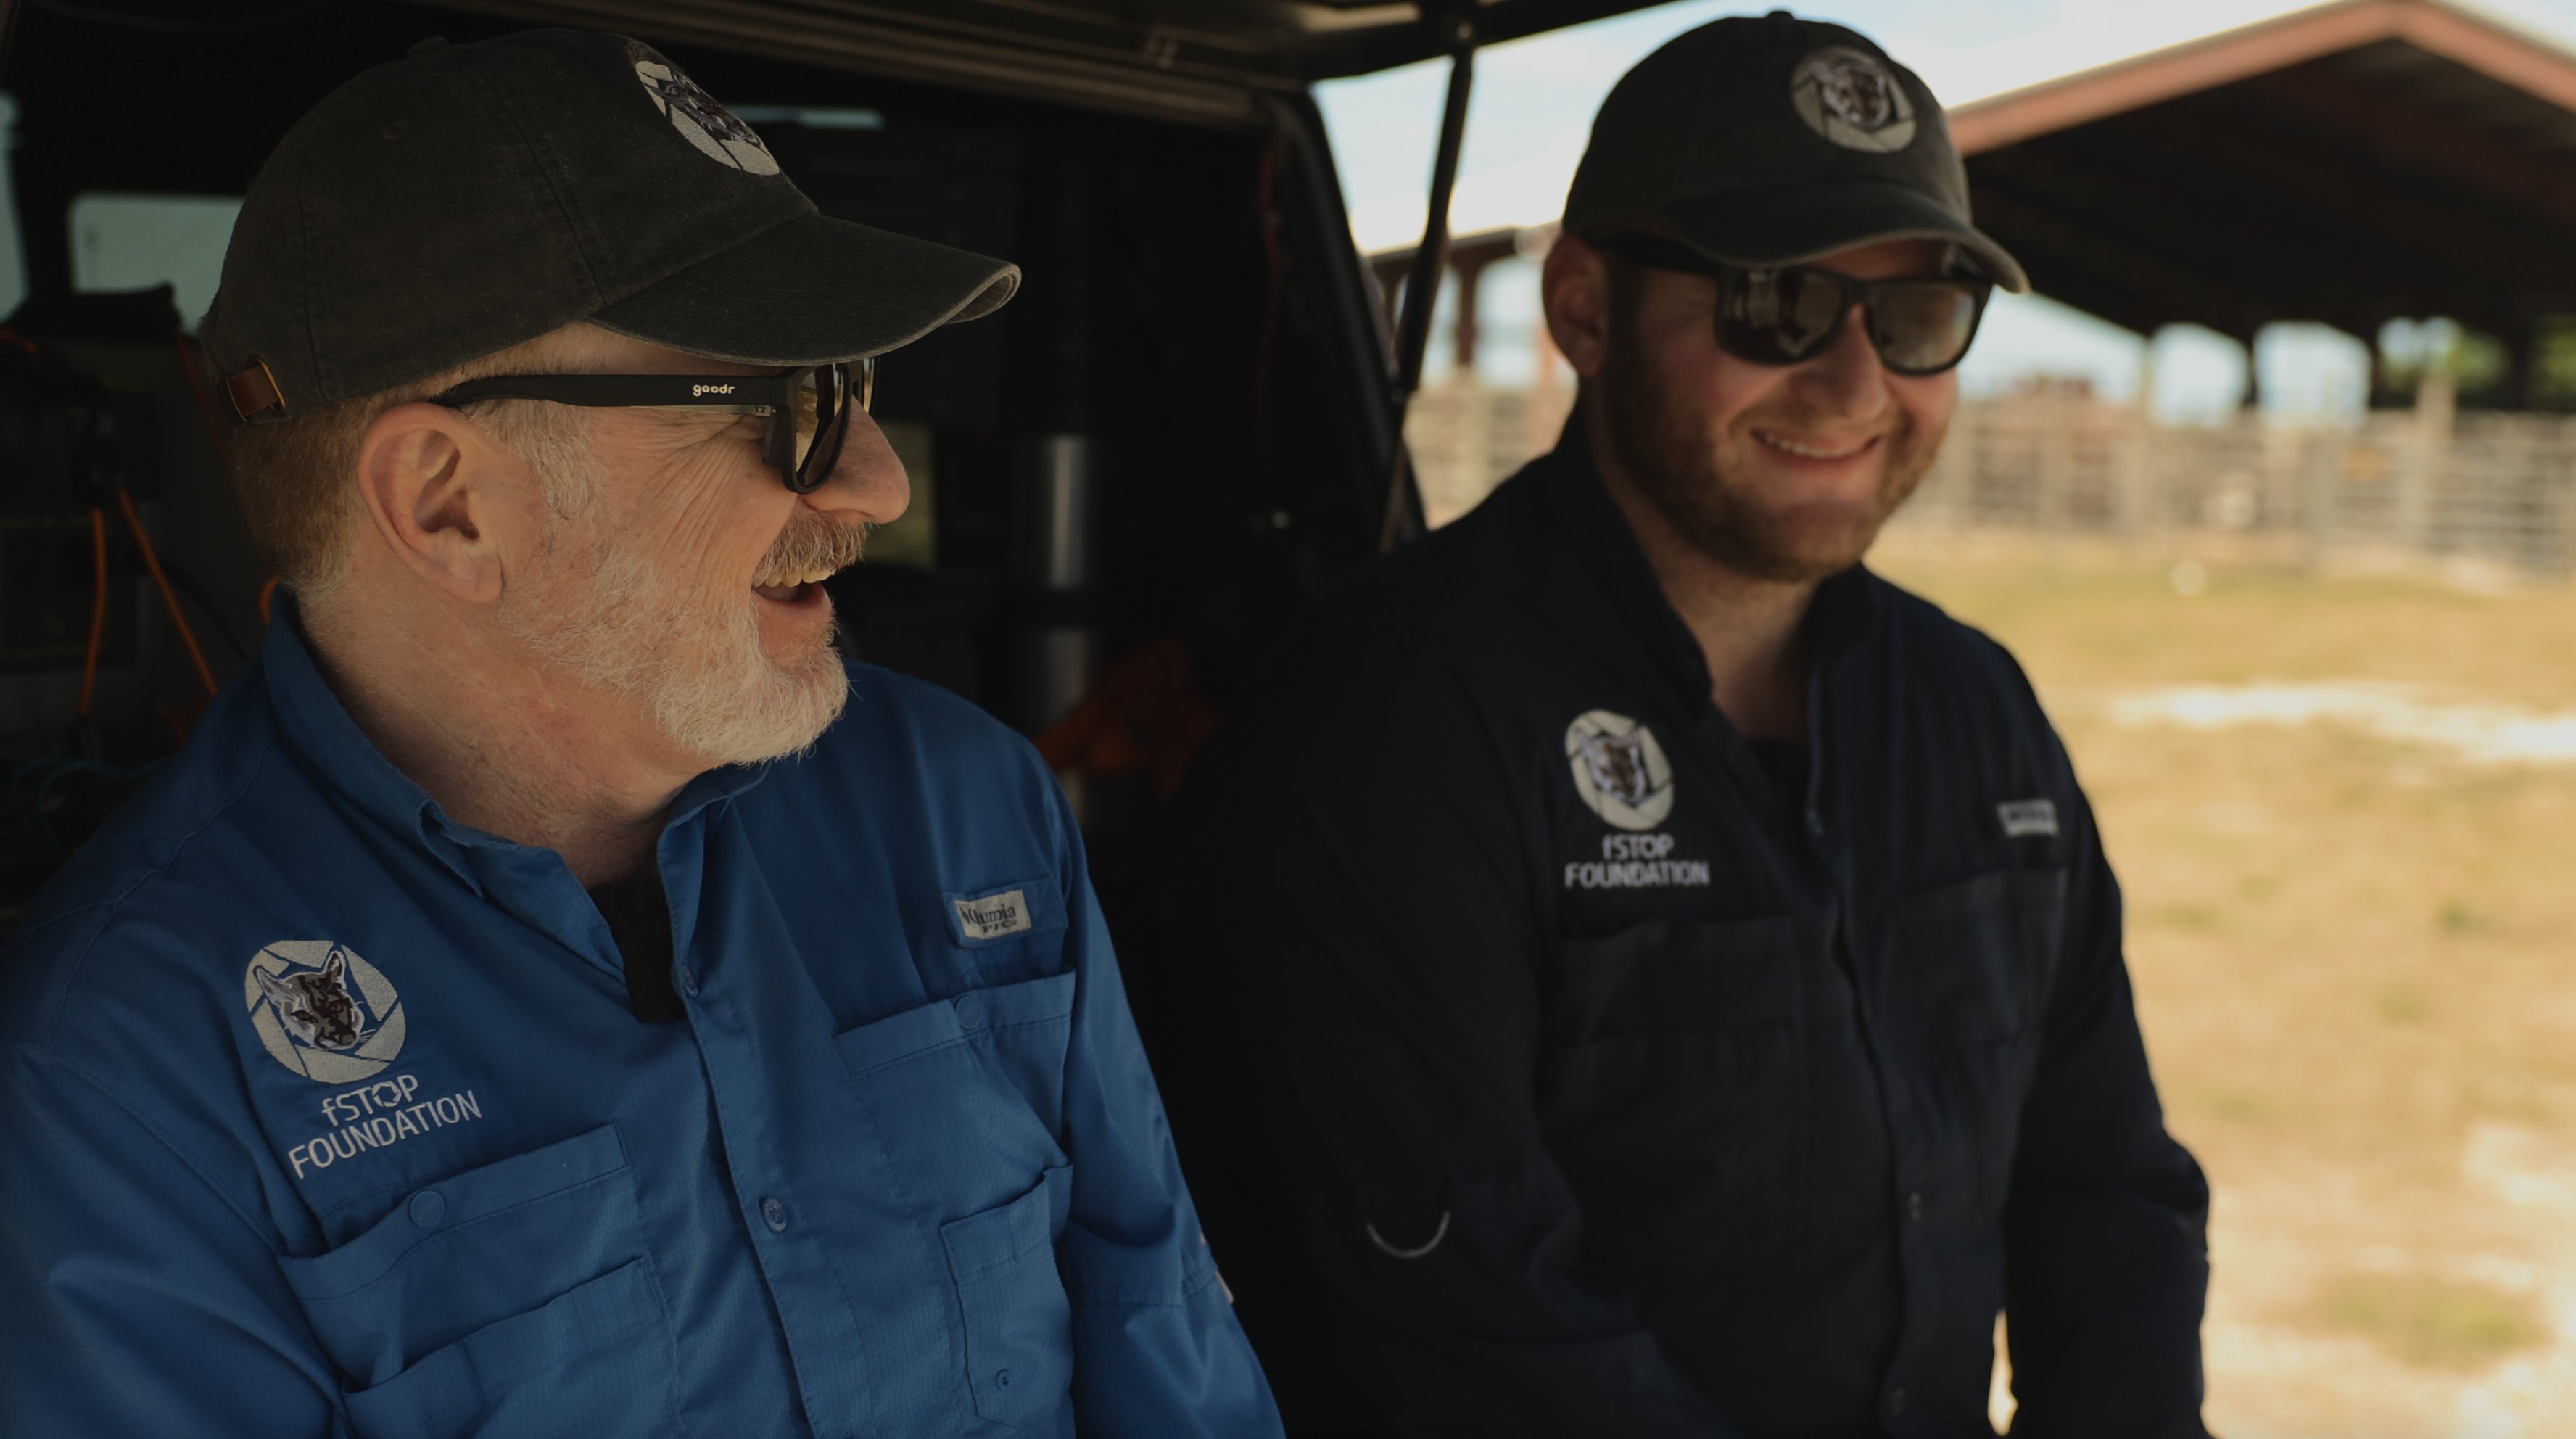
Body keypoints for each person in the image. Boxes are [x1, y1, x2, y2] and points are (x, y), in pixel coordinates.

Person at [0, 30, 1279, 1438]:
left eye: (850, 381)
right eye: (786, 402)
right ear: (447, 503)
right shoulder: (124, 1077)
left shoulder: (966, 804)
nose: (875, 478)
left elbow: (1172, 1360)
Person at [1158, 13, 2210, 1436]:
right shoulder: (1384, 732)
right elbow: (1470, 1324)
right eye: (1772, 303)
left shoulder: (1979, 716)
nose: (1852, 388)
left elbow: (2107, 1188)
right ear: (1583, 306)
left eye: (1910, 318)